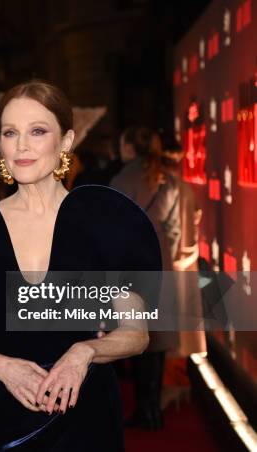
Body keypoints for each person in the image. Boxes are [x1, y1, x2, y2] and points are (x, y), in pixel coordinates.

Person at [0, 80, 162, 450]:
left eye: (38, 131)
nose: (22, 146)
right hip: (1, 414)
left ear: (65, 141)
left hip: (85, 411)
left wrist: (86, 351)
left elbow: (138, 333)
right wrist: (1, 367)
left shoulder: (104, 222)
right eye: (10, 133)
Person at [111, 129, 181, 430]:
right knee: (158, 340)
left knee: (138, 337)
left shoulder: (120, 181)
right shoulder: (168, 179)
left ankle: (144, 409)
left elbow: (111, 229)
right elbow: (175, 230)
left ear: (128, 145)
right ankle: (154, 408)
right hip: (161, 263)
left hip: (131, 267)